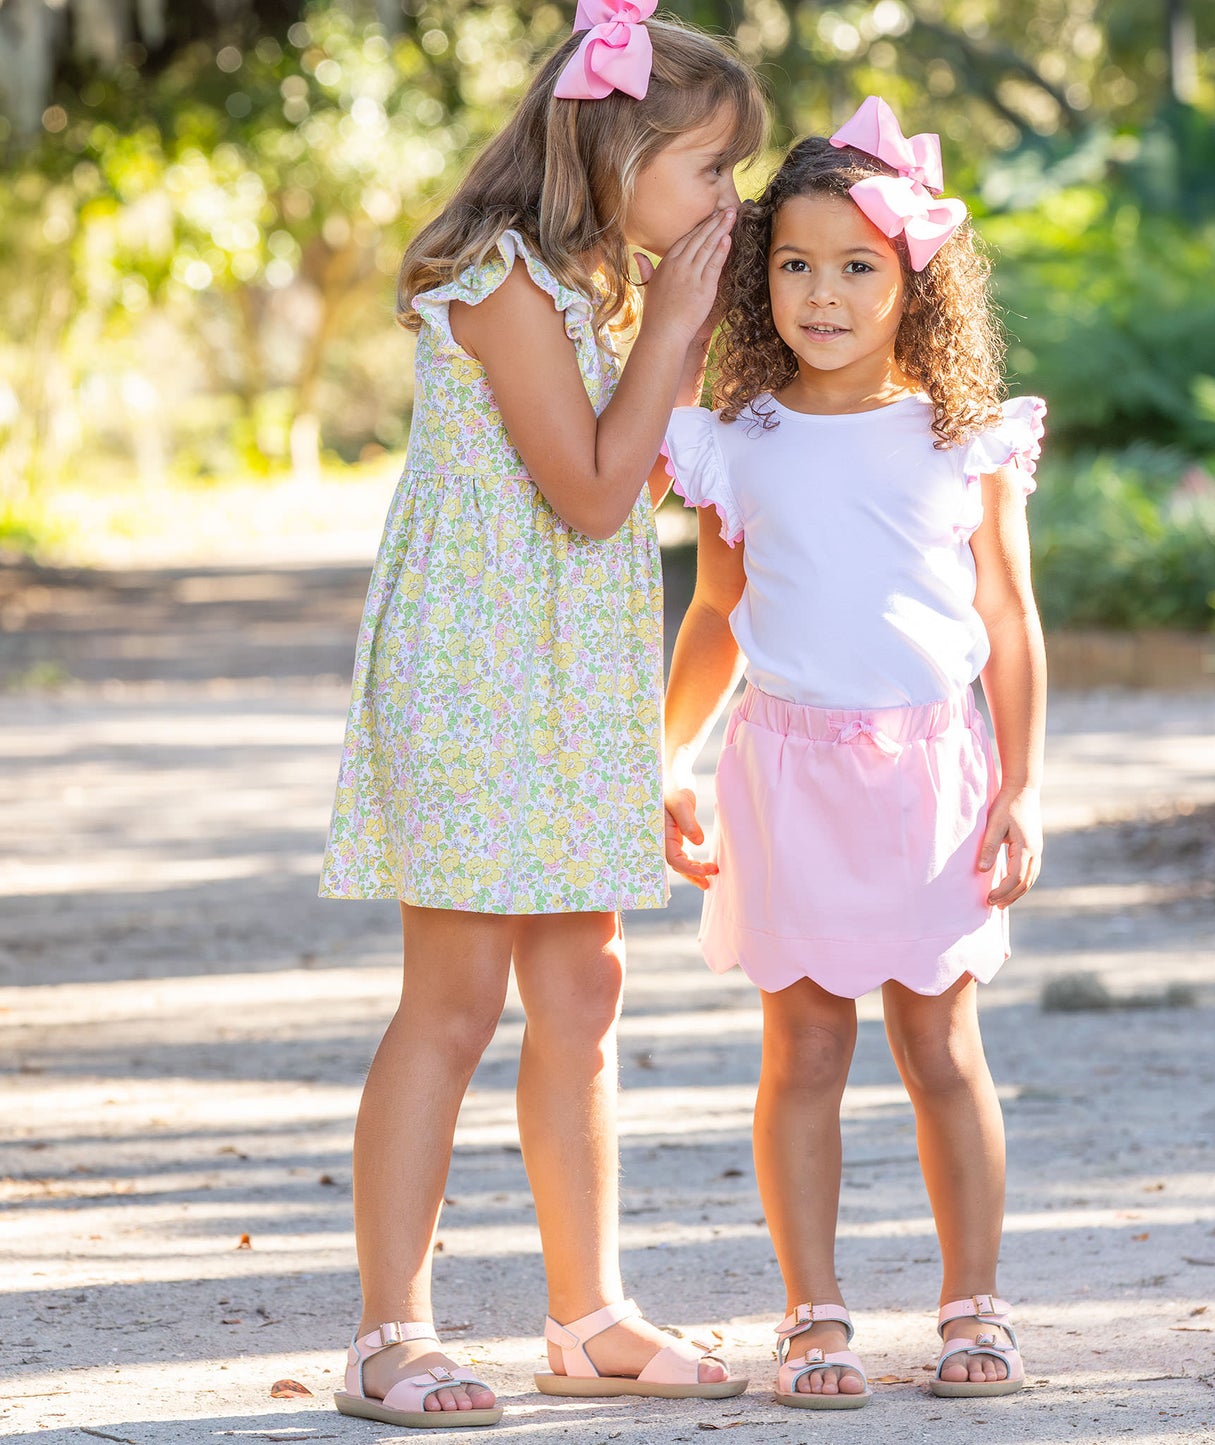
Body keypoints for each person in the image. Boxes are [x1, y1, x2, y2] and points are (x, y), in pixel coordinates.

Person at [318, 2, 766, 1427]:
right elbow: (586, 490)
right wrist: (684, 320)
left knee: (584, 984)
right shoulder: (497, 276)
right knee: (450, 1005)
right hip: (473, 676)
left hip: (571, 674)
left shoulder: (605, 290)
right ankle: (391, 1332)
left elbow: (639, 482)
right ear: (618, 146)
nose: (724, 202)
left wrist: (681, 332)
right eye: (706, 169)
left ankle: (587, 1314)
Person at [661, 96, 1046, 1411]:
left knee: (940, 1047)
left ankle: (971, 1301)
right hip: (781, 773)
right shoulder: (737, 439)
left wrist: (1022, 786)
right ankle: (810, 1311)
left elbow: (1005, 619)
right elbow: (717, 614)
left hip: (932, 776)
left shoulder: (961, 437)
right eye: (795, 265)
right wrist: (667, 757)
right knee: (804, 1050)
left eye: (857, 266)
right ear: (762, 277)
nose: (821, 295)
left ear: (914, 279)